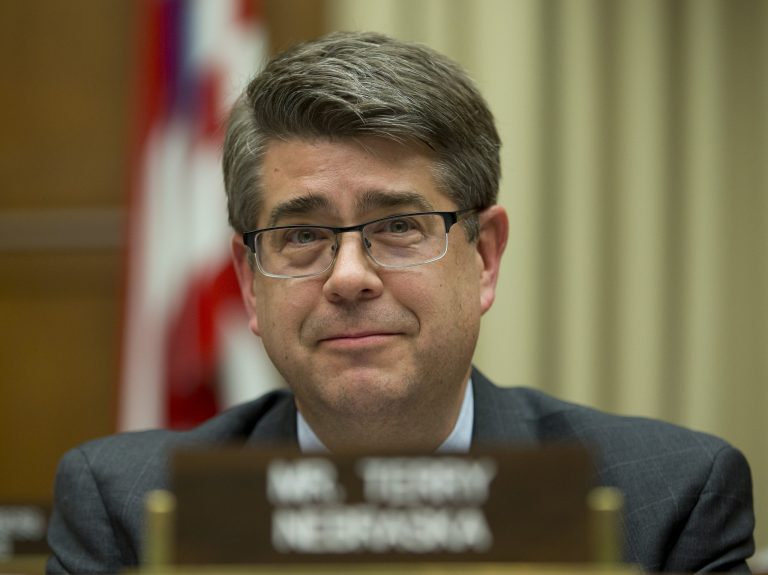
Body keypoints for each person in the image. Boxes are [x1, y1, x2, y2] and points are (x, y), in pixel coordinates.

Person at [46, 31, 754, 574]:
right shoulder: (130, 510)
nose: (349, 276)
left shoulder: (668, 500)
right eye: (301, 234)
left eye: (397, 227)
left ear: (484, 256)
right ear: (248, 281)